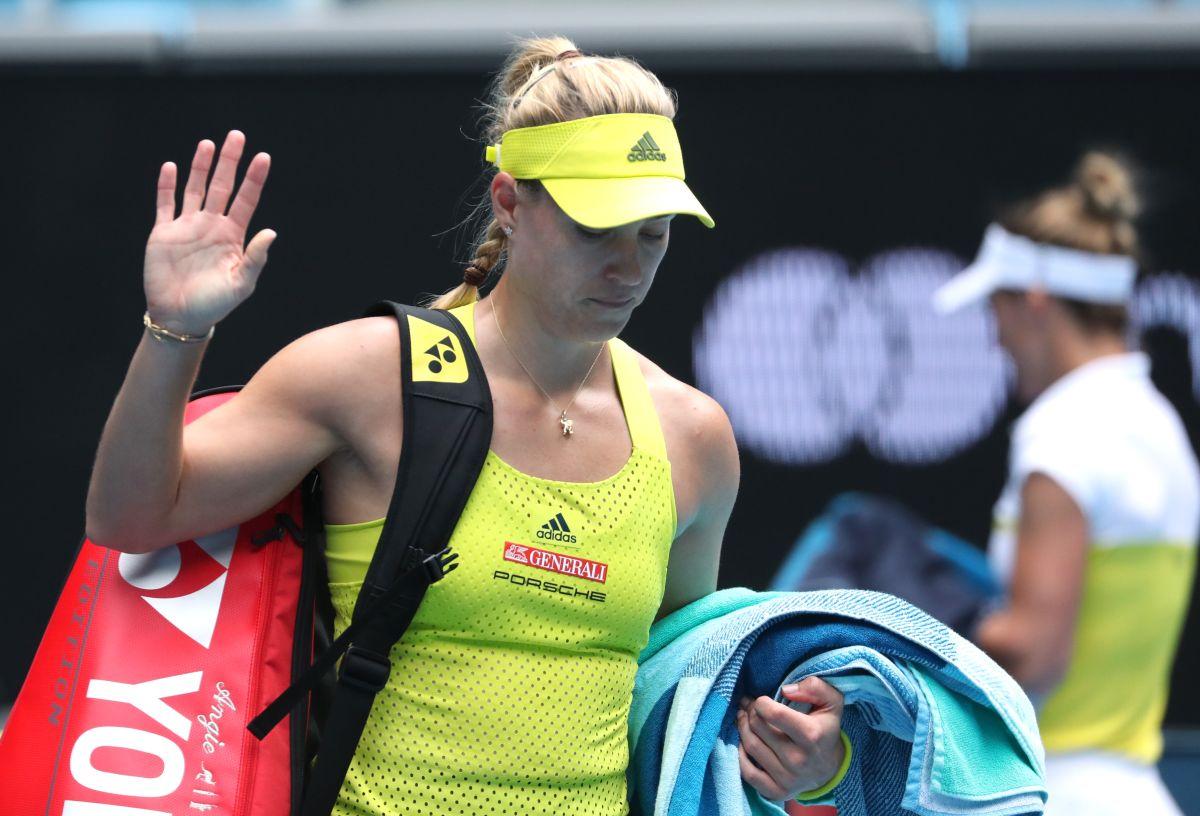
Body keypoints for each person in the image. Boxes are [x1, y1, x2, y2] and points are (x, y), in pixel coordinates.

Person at [85, 36, 847, 814]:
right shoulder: (368, 375)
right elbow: (133, 515)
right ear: (510, 202)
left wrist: (808, 763)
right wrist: (173, 331)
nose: (629, 266)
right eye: (596, 229)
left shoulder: (692, 435)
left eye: (654, 232)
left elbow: (687, 690)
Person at [934, 152, 1200, 815]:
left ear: (1034, 301)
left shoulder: (1063, 430)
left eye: (995, 309)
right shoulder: (1155, 422)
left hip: (1053, 792)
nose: (994, 338)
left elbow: (1034, 652)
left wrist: (910, 625)